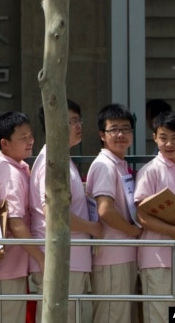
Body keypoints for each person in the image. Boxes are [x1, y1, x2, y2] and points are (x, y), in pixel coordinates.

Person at [30, 100, 103, 323]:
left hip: (70, 259)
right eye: (71, 121)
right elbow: (54, 214)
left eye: (78, 120)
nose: (78, 125)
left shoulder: (62, 159)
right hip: (60, 259)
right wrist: (93, 227)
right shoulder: (51, 162)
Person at [0, 111, 43, 323]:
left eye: (31, 136)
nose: (30, 142)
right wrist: (42, 258)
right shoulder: (9, 175)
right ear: (5, 143)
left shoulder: (15, 168)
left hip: (12, 267)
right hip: (5, 269)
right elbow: (16, 224)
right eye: (23, 138)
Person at [86, 103, 142, 323]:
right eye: (114, 129)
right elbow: (105, 210)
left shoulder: (118, 164)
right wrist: (134, 231)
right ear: (102, 134)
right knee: (112, 316)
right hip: (111, 256)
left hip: (122, 253)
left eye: (126, 129)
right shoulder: (104, 165)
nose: (120, 134)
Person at [134, 111, 175, 323]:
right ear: (154, 137)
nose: (169, 143)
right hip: (158, 260)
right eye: (163, 137)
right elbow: (142, 217)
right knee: (159, 316)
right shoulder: (150, 172)